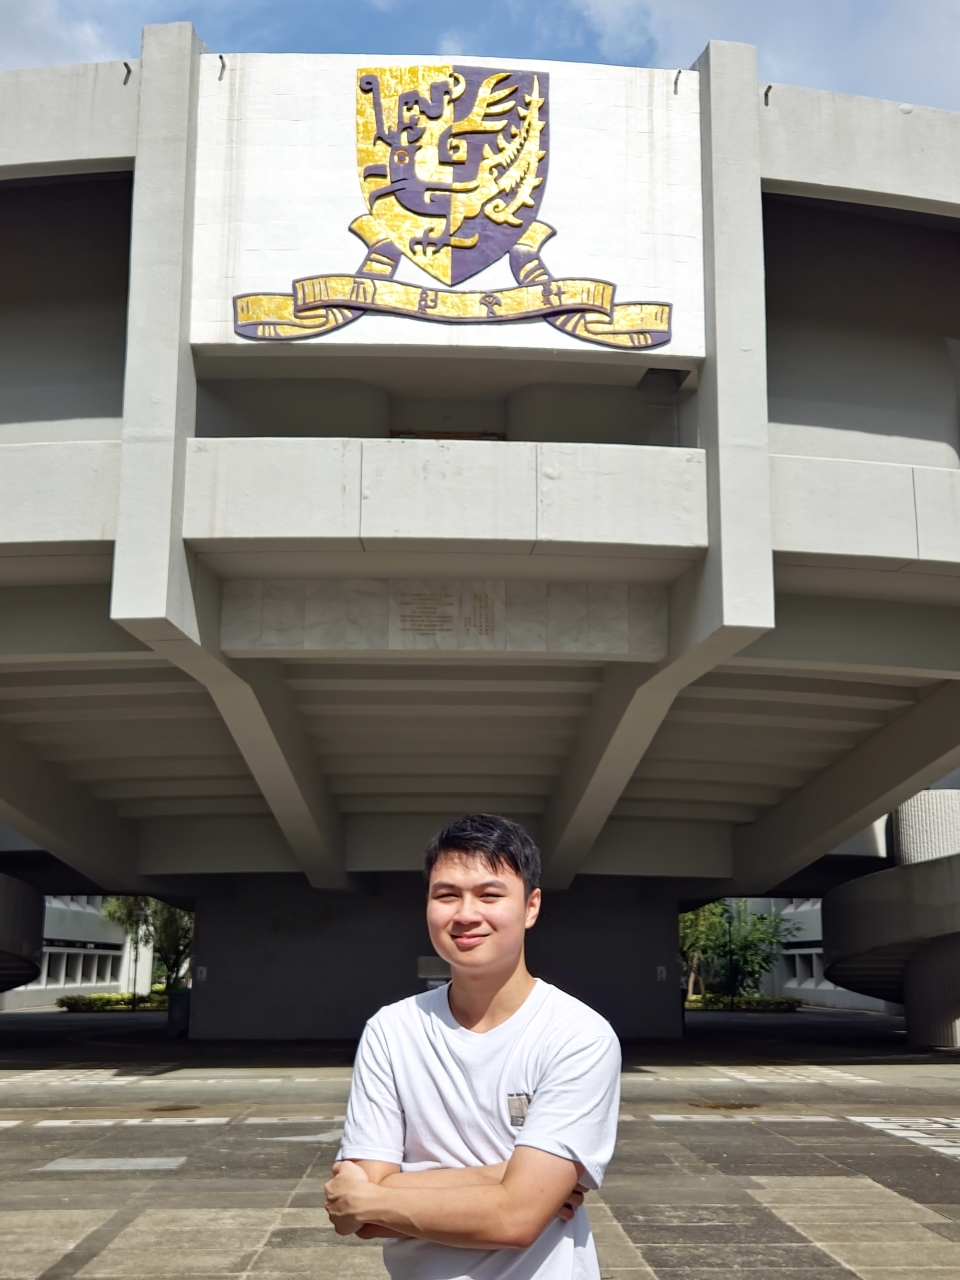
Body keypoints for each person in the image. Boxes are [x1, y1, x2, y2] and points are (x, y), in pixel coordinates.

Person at [324, 812, 621, 1280]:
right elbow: (355, 1216)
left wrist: (383, 1194)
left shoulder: (578, 1035)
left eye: (489, 895)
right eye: (446, 895)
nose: (465, 914)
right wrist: (504, 1177)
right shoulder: (390, 1030)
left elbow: (515, 1220)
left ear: (531, 906)